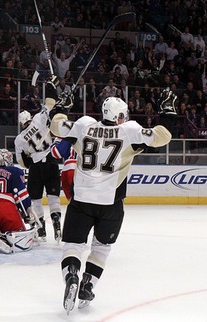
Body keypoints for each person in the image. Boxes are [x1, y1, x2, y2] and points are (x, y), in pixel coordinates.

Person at [49, 88, 176, 313]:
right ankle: (88, 284)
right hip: (111, 203)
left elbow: (55, 125)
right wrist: (167, 112)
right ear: (119, 117)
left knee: (73, 246)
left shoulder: (84, 125)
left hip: (81, 200)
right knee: (101, 247)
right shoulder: (129, 131)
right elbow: (162, 136)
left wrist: (61, 107)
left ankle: (71, 275)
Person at [14, 91, 66, 243]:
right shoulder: (38, 119)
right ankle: (56, 223)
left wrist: (30, 163)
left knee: (36, 199)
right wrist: (53, 92)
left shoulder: (19, 140)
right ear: (30, 118)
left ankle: (41, 227)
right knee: (53, 197)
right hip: (51, 163)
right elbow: (49, 105)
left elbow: (21, 161)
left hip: (36, 167)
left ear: (21, 123)